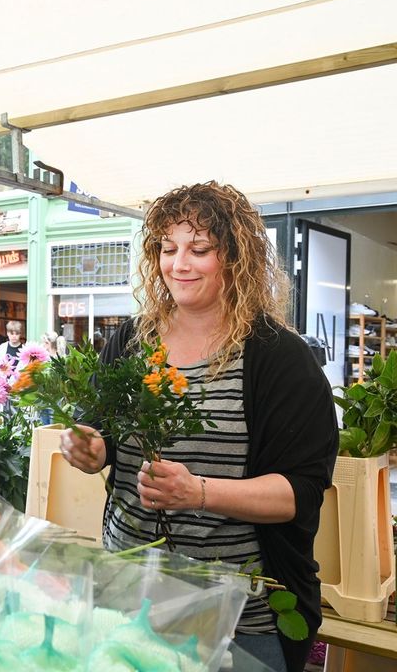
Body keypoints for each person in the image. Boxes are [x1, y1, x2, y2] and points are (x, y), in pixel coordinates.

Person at [59, 181, 338, 672]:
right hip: (129, 601)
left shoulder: (279, 357)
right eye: (168, 249)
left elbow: (299, 492)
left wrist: (200, 492)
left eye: (199, 249)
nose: (178, 265)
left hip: (238, 621)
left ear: (235, 258)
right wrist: (92, 448)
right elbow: (101, 430)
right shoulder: (130, 338)